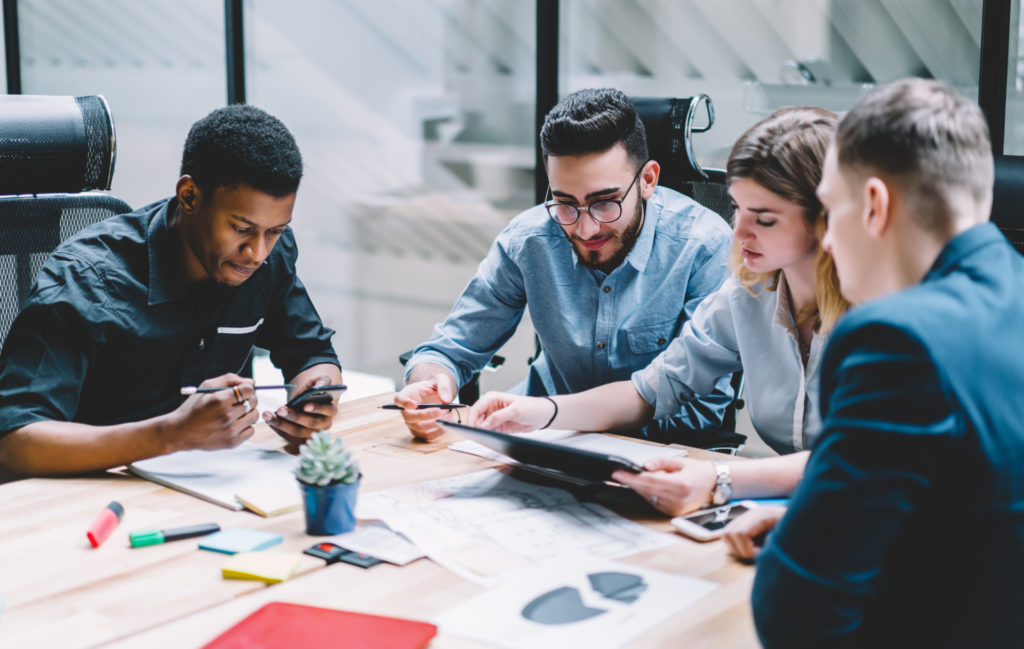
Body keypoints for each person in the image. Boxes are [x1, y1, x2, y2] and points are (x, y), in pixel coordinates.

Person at [734, 78, 1024, 648]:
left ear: (873, 205)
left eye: (829, 210)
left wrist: (812, 545)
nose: (829, 240)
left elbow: (796, 613)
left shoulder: (894, 340)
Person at [470, 106, 849, 516]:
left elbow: (867, 458)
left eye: (765, 218)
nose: (737, 232)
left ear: (826, 219)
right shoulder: (749, 293)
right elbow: (651, 389)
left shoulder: (879, 313)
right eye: (737, 208)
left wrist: (719, 479)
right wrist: (541, 412)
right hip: (806, 506)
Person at [0, 104, 342, 477]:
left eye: (274, 231)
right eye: (242, 229)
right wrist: (174, 433)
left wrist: (315, 398)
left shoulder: (266, 259)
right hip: (92, 493)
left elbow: (313, 354)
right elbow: (15, 441)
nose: (257, 252)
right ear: (190, 196)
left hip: (216, 486)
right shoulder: (87, 278)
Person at [396, 88, 734, 444]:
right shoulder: (529, 240)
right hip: (536, 439)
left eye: (605, 203)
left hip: (655, 455)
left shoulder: (703, 246)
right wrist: (431, 386)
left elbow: (701, 412)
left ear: (648, 180)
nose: (585, 229)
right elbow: (447, 350)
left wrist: (558, 418)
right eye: (565, 203)